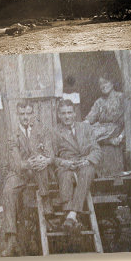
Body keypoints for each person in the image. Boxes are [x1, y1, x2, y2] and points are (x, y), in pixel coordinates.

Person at [2, 100, 54, 257]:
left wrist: (45, 160)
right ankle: (11, 238)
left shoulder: (42, 131)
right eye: (22, 114)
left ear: (34, 114)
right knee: (8, 190)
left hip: (40, 171)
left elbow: (50, 153)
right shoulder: (13, 135)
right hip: (21, 173)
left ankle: (47, 209)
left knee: (43, 166)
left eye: (29, 113)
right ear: (17, 115)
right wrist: (28, 164)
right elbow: (16, 163)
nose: (25, 117)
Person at [54, 99, 101, 233]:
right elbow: (51, 156)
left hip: (84, 163)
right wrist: (64, 162)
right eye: (63, 113)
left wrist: (87, 161)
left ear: (75, 113)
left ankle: (71, 214)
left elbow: (96, 150)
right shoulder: (55, 132)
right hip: (66, 165)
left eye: (69, 112)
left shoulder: (85, 128)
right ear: (59, 115)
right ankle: (72, 217)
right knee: (65, 176)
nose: (67, 116)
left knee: (87, 172)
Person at [84, 75, 125, 176]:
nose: (103, 86)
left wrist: (121, 136)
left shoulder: (121, 97)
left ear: (112, 83)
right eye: (100, 84)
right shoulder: (99, 101)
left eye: (105, 82)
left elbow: (128, 119)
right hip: (103, 130)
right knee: (87, 133)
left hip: (117, 129)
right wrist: (82, 126)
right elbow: (90, 118)